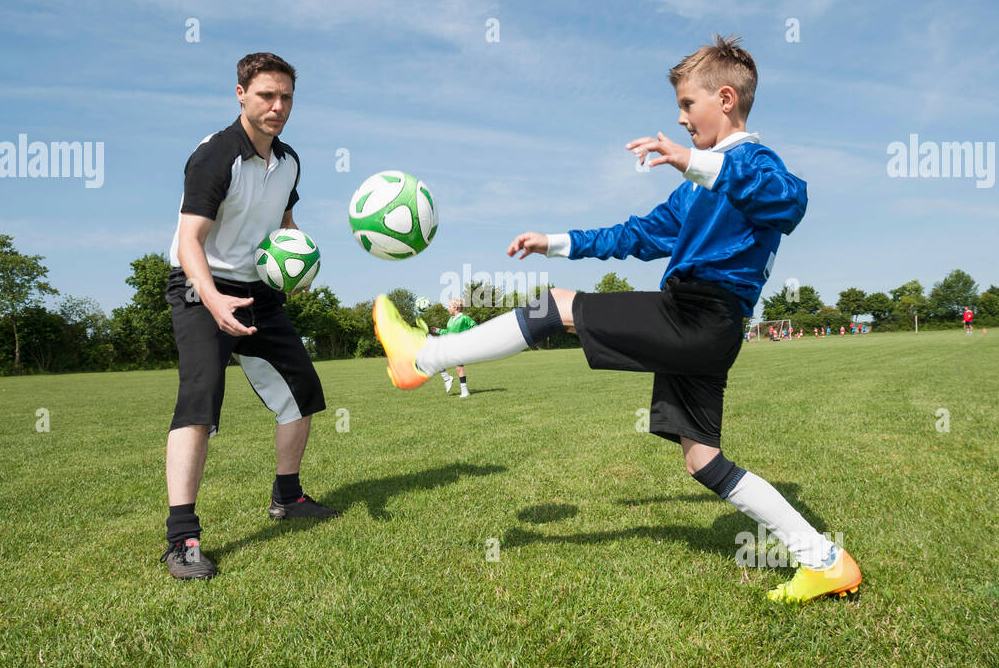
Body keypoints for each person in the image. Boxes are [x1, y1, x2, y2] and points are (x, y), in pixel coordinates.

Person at [372, 35, 861, 605]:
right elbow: (636, 235)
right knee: (702, 460)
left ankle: (422, 360)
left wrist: (696, 163)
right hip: (701, 327)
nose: (680, 120)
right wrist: (554, 241)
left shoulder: (753, 161)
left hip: (702, 315)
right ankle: (825, 561)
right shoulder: (697, 185)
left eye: (687, 105)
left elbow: (791, 203)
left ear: (726, 99)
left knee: (556, 305)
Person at [161, 53, 338, 581]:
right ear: (240, 93)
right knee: (200, 401)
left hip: (259, 289)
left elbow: (284, 224)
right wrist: (211, 298)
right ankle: (181, 538)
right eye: (266, 95)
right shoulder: (215, 155)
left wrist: (298, 261)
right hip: (200, 287)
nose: (277, 107)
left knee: (302, 390)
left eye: (286, 97)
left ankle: (289, 498)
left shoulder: (290, 161)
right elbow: (190, 239)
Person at [431, 298, 476, 397]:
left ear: (455, 307)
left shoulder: (464, 318)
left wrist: (467, 337)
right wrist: (438, 330)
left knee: (459, 368)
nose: (448, 309)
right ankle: (447, 378)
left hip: (460, 347)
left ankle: (464, 391)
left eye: (449, 307)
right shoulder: (450, 320)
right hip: (450, 346)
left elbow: (474, 327)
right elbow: (448, 332)